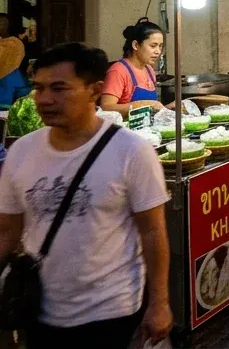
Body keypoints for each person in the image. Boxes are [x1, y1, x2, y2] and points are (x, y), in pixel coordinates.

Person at [0, 43, 171, 347]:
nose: (45, 99)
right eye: (39, 88)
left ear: (95, 90)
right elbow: (8, 231)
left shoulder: (131, 152)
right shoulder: (22, 152)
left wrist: (159, 303)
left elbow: (153, 231)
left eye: (59, 88)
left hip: (112, 311)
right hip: (41, 309)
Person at [100, 18, 165, 116]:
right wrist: (145, 105)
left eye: (160, 46)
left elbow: (154, 109)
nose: (158, 51)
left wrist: (172, 107)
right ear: (135, 45)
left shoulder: (149, 70)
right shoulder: (118, 71)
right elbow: (106, 108)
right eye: (153, 46)